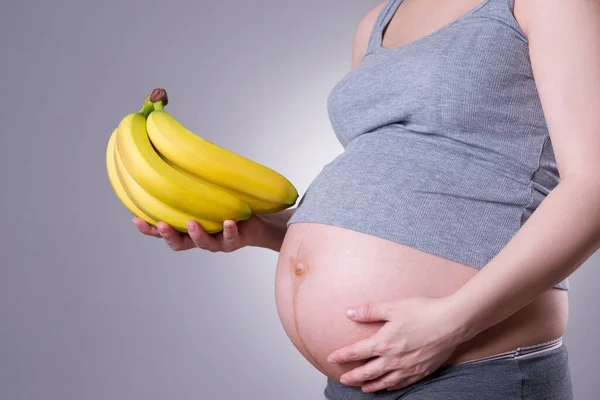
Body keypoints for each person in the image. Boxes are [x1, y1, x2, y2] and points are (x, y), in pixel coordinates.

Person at [134, 0, 600, 398]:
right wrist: (266, 230)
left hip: (473, 367)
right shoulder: (377, 21)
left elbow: (592, 186)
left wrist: (451, 323)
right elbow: (406, 200)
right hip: (359, 380)